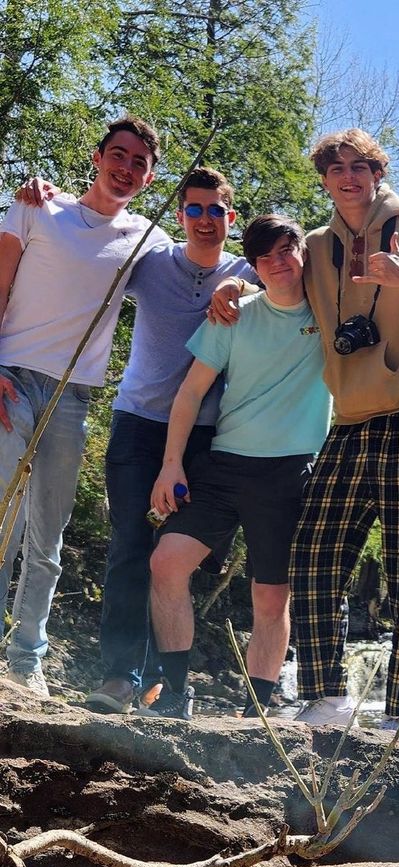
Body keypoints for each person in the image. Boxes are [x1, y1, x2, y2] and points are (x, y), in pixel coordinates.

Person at [212, 128, 399, 734]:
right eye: (336, 169)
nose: (349, 177)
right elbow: (279, 281)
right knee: (313, 557)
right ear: (325, 181)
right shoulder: (313, 244)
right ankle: (327, 698)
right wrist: (236, 283)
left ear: (377, 172)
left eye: (360, 166)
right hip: (350, 423)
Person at [0, 116, 168, 698]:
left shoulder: (148, 239)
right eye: (118, 155)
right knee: (1, 519)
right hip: (11, 379)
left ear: (149, 179)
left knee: (48, 537)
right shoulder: (36, 208)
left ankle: (26, 663)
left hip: (73, 398)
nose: (126, 168)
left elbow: (201, 269)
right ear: (97, 157)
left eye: (139, 164)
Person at [141, 214, 331, 720]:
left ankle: (256, 716)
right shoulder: (234, 314)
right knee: (166, 562)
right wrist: (171, 465)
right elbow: (190, 392)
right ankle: (176, 695)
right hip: (224, 465)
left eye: (286, 251)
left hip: (290, 474)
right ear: (254, 265)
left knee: (270, 599)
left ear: (302, 253)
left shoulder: (330, 312)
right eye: (265, 257)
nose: (278, 263)